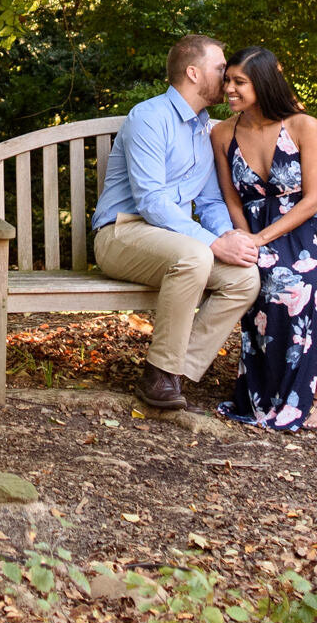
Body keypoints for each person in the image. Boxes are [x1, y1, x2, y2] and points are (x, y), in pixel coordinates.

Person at [90, 34, 262, 411]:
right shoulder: (149, 117)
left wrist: (232, 237)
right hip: (122, 233)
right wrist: (212, 244)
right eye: (220, 69)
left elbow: (212, 200)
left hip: (174, 242)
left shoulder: (206, 129)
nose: (229, 76)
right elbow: (152, 202)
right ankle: (160, 371)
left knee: (244, 278)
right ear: (193, 72)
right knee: (197, 257)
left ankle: (172, 372)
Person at [210, 46, 317, 430]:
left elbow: (313, 198)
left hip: (305, 231)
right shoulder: (221, 133)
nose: (229, 89)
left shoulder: (302, 125)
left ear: (262, 83)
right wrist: (246, 239)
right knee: (263, 280)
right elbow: (232, 196)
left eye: (239, 82)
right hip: (250, 231)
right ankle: (269, 392)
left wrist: (263, 239)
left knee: (310, 280)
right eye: (227, 80)